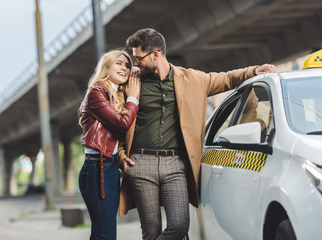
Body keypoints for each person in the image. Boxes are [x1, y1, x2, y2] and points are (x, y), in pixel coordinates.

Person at [118, 28, 276, 240]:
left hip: (175, 165)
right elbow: (116, 120)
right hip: (140, 163)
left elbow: (227, 79)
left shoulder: (192, 79)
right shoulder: (132, 82)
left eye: (138, 58)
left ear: (156, 53)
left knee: (179, 226)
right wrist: (120, 155)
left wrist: (255, 71)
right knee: (151, 231)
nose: (135, 63)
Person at [78, 49, 140, 240]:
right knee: (104, 234)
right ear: (107, 66)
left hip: (110, 167)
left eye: (127, 65)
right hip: (96, 168)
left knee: (105, 232)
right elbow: (121, 124)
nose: (124, 68)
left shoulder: (117, 95)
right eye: (119, 63)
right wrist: (133, 98)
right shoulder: (96, 92)